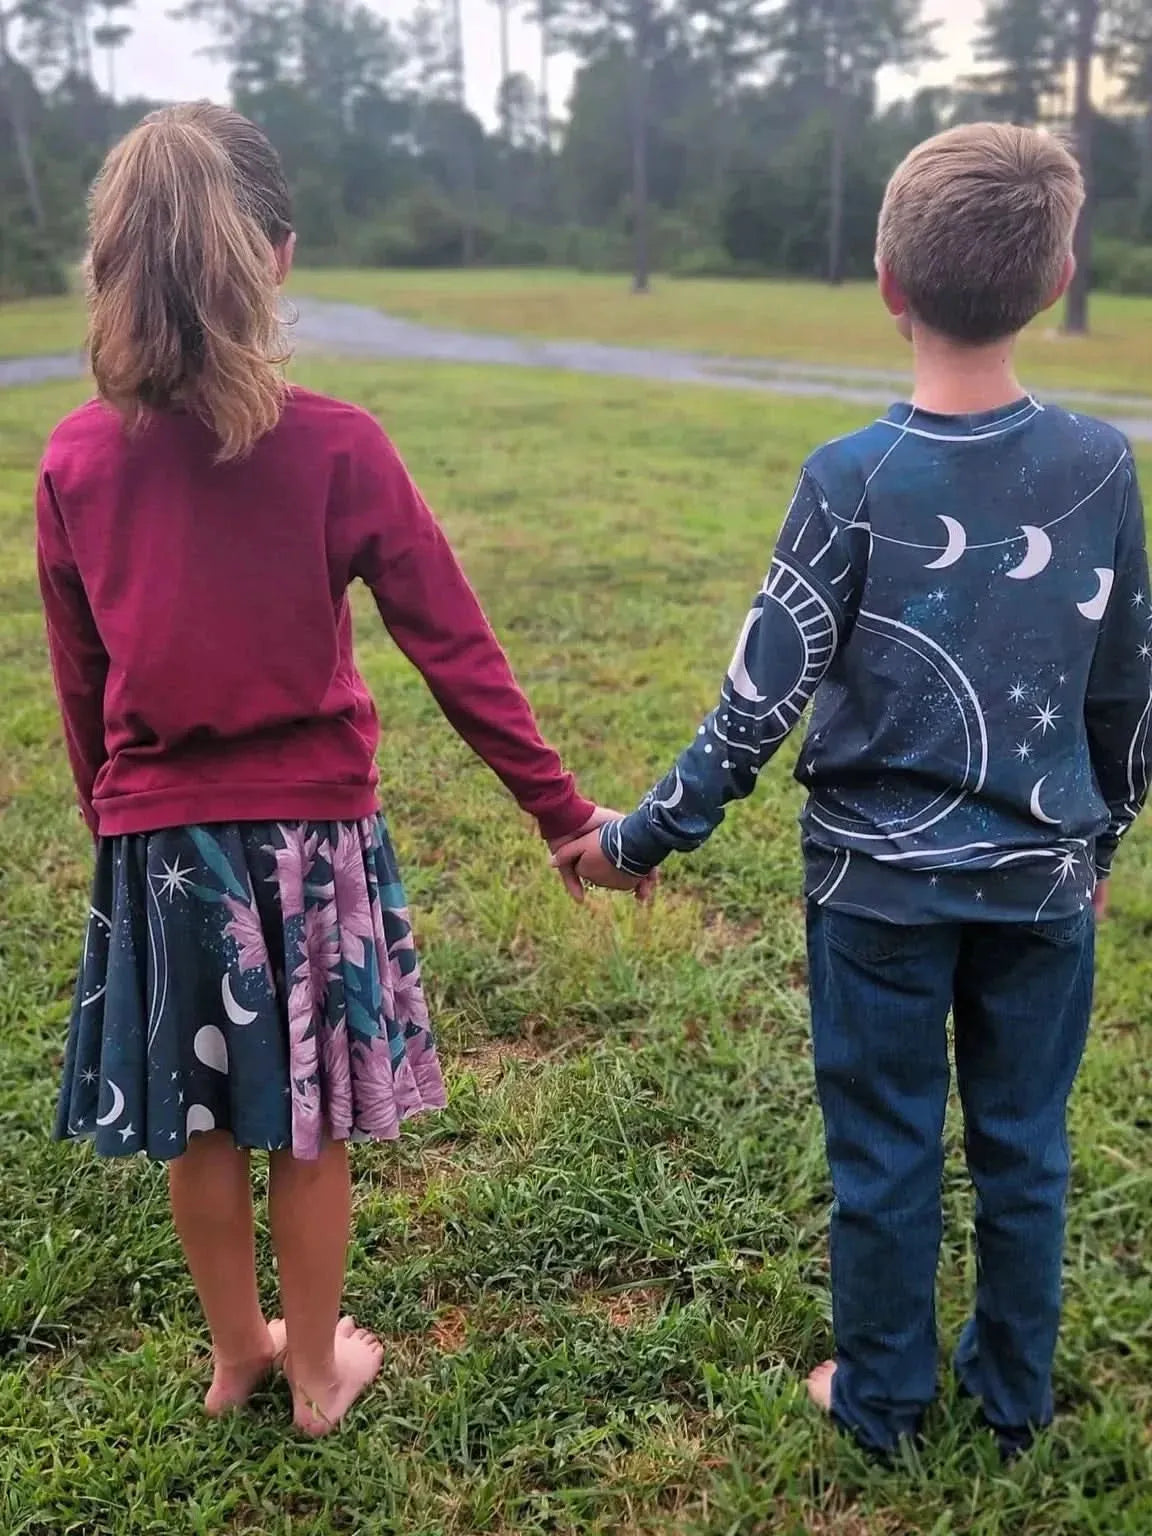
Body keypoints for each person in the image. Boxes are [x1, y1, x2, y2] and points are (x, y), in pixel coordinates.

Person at [555, 123, 1152, 1457]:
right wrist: (1099, 840)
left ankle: (883, 1400)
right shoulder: (1101, 467)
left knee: (885, 1156)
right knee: (1025, 1152)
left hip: (875, 893)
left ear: (887, 282)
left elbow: (757, 700)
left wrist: (645, 836)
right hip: (1044, 886)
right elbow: (1127, 693)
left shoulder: (851, 480)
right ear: (1057, 279)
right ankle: (1013, 1403)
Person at [39, 103, 621, 1436]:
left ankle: (236, 1353)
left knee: (199, 1123)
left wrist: (115, 831)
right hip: (311, 849)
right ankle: (315, 1375)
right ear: (279, 258)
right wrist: (559, 814)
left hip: (158, 847)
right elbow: (454, 647)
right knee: (307, 1123)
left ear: (112, 264)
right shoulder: (340, 444)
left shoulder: (74, 459)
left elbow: (84, 691)